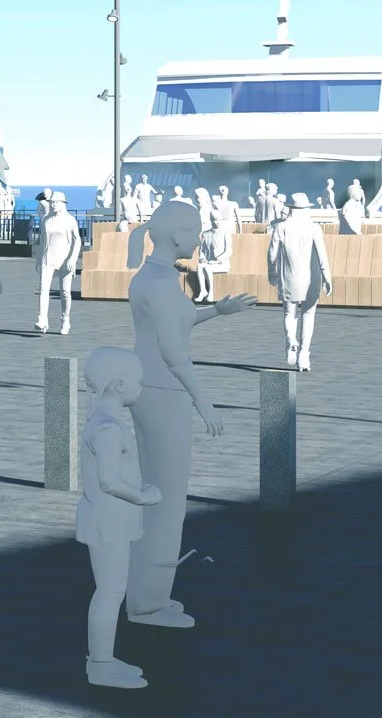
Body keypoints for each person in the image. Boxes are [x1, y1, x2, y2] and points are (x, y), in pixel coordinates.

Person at [125, 200, 253, 628]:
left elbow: (176, 326)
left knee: (157, 497)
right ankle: (147, 604)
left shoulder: (158, 276)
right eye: (197, 229)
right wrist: (203, 401)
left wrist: (218, 310)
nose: (201, 236)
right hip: (164, 392)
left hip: (154, 389)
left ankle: (148, 593)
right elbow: (174, 353)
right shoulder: (160, 283)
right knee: (166, 501)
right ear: (179, 234)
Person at [77, 346, 162, 689]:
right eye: (138, 382)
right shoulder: (108, 427)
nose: (142, 387)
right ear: (118, 384)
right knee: (110, 591)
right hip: (107, 520)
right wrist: (144, 496)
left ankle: (105, 657)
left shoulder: (106, 421)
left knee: (113, 590)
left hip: (111, 518)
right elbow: (109, 481)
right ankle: (99, 664)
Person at [268, 191, 333, 371]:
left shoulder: (280, 227)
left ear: (290, 207)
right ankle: (304, 355)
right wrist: (327, 277)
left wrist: (271, 272)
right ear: (306, 208)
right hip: (311, 278)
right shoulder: (313, 227)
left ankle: (291, 341)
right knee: (308, 315)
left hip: (288, 276)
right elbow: (322, 255)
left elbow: (272, 253)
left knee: (290, 314)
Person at [35, 189, 81, 334]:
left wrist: (72, 259)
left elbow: (77, 240)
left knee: (65, 292)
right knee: (43, 288)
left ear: (63, 203)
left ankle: (65, 319)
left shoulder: (70, 220)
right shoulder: (45, 220)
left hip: (64, 260)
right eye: (51, 202)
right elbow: (42, 240)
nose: (53, 205)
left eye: (56, 202)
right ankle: (42, 319)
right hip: (48, 259)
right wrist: (38, 259)